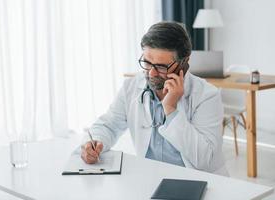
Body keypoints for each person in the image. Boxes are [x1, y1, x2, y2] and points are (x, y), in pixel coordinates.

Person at [80, 21, 228, 176]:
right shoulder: (131, 88)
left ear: (184, 63)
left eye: (161, 67)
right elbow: (108, 126)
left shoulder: (207, 95)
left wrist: (171, 109)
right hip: (150, 178)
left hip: (198, 180)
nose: (151, 73)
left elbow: (204, 159)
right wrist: (94, 143)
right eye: (147, 63)